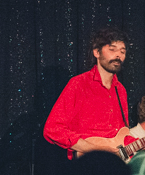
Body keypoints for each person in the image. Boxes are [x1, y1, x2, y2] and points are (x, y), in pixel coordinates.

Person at [43, 27, 132, 159]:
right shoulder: (78, 84)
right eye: (112, 49)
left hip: (113, 166)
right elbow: (53, 129)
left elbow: (123, 135)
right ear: (96, 52)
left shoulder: (120, 90)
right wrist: (96, 149)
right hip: (87, 164)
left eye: (122, 51)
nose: (118, 55)